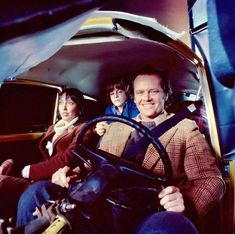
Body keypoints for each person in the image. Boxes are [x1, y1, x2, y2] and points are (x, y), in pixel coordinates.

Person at [16, 68, 225, 233]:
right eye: (140, 92)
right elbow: (93, 167)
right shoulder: (116, 126)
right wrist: (70, 173)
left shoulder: (185, 129)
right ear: (133, 97)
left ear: (166, 95)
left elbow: (211, 180)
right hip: (101, 204)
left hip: (149, 211)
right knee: (35, 192)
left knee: (170, 226)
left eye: (153, 91)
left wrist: (184, 201)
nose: (147, 98)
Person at [0, 88, 91, 219]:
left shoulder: (83, 129)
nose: (64, 107)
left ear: (79, 107)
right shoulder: (53, 128)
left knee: (15, 189)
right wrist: (12, 162)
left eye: (70, 103)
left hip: (57, 180)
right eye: (61, 102)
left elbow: (67, 159)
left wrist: (28, 171)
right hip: (37, 177)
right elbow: (35, 151)